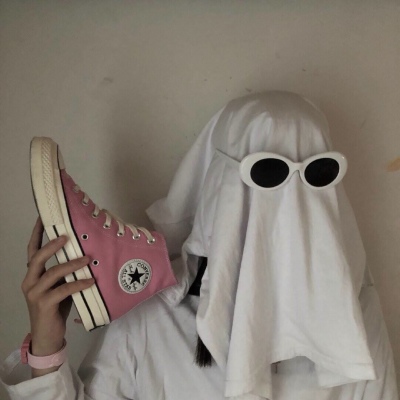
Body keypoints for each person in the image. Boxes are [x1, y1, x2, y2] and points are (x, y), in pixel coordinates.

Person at [1, 92, 398, 400]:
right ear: (220, 185)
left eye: (320, 172)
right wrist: (46, 348)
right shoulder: (151, 316)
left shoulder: (353, 322)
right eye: (267, 173)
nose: (290, 206)